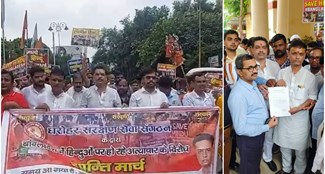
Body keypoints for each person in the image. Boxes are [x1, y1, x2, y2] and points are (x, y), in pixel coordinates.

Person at [228, 54, 278, 174]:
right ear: (239, 72)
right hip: (249, 138)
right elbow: (240, 129)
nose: (255, 70)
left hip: (257, 134)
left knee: (254, 165)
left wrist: (265, 97)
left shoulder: (253, 84)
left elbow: (254, 107)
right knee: (249, 168)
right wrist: (267, 127)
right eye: (250, 68)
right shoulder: (238, 95)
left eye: (255, 66)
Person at [274, 40, 318, 174]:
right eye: (294, 53)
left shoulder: (310, 77)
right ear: (288, 53)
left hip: (300, 120)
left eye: (300, 53)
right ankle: (286, 169)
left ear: (305, 55)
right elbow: (276, 93)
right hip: (284, 118)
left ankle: (299, 171)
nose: (297, 57)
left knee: (300, 150)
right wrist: (276, 85)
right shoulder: (282, 73)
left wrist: (297, 108)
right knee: (284, 147)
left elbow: (312, 98)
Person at [251, 36, 280, 172]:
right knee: (255, 134)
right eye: (257, 47)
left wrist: (276, 85)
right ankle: (253, 160)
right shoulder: (247, 66)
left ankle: (267, 157)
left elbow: (280, 85)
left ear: (268, 50)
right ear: (251, 50)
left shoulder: (274, 65)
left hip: (272, 105)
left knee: (270, 133)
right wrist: (257, 87)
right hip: (254, 107)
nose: (261, 50)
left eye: (264, 47)